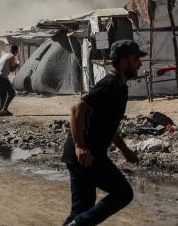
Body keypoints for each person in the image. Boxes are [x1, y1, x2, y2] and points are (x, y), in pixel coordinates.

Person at [62, 40, 144, 226]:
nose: (140, 64)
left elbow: (108, 125)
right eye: (136, 59)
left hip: (83, 156)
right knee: (123, 193)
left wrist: (125, 150)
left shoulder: (120, 87)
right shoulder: (110, 84)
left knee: (80, 211)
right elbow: (77, 109)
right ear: (124, 62)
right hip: (87, 155)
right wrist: (80, 146)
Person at [0, 44, 19, 117]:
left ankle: (2, 111)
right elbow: (12, 70)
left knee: (3, 95)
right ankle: (4, 110)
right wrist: (17, 65)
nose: (16, 53)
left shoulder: (4, 55)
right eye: (17, 52)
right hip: (2, 77)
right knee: (12, 93)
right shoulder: (12, 56)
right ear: (15, 51)